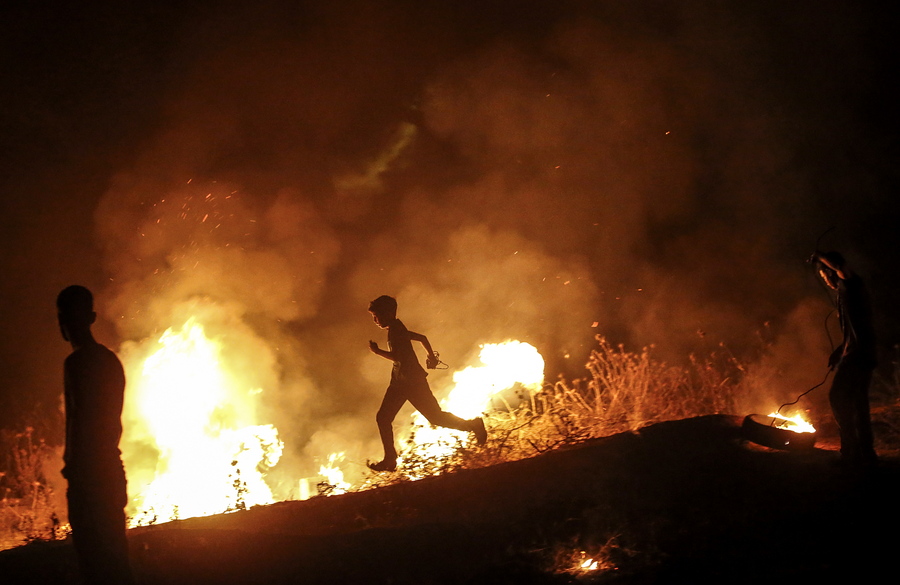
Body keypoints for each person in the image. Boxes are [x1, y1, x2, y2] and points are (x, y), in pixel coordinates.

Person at [57, 285, 134, 584]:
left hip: (89, 479)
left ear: (90, 317)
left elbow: (79, 419)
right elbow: (112, 422)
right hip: (110, 471)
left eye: (67, 317)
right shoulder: (110, 361)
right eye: (63, 317)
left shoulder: (75, 364)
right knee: (115, 562)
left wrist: (73, 467)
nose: (65, 325)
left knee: (94, 565)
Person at [367, 295, 487, 471]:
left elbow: (397, 357)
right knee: (385, 417)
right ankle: (390, 459)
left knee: (435, 417)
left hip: (411, 383)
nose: (375, 320)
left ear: (389, 313)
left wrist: (377, 352)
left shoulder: (395, 331)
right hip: (401, 382)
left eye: (377, 315)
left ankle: (474, 425)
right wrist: (431, 357)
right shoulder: (397, 327)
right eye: (374, 317)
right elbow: (422, 338)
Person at [813, 252, 878, 466]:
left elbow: (841, 264)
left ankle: (851, 450)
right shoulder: (843, 293)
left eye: (825, 274)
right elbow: (855, 331)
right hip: (859, 353)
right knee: (858, 404)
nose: (826, 280)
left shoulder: (852, 285)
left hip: (859, 356)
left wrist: (819, 255)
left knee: (838, 397)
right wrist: (840, 350)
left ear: (832, 272)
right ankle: (864, 453)